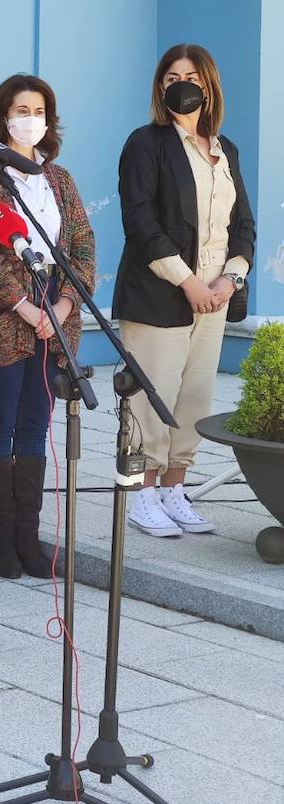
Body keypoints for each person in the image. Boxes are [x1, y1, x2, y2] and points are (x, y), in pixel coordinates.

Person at [114, 44, 255, 537]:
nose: (181, 84)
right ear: (160, 88)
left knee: (194, 397)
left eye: (191, 76)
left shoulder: (225, 149)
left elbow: (243, 225)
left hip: (214, 298)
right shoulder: (146, 143)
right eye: (171, 76)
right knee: (152, 398)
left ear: (208, 85)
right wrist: (189, 281)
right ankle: (141, 495)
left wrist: (229, 278)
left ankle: (174, 488)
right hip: (160, 294)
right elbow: (141, 222)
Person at [0, 76, 95, 578]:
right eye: (21, 108)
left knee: (36, 422)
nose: (30, 117)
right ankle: (2, 537)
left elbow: (83, 244)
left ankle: (29, 533)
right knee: (0, 422)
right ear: (3, 115)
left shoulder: (59, 179)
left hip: (56, 312)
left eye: (39, 109)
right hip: (8, 316)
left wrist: (65, 305)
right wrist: (26, 308)